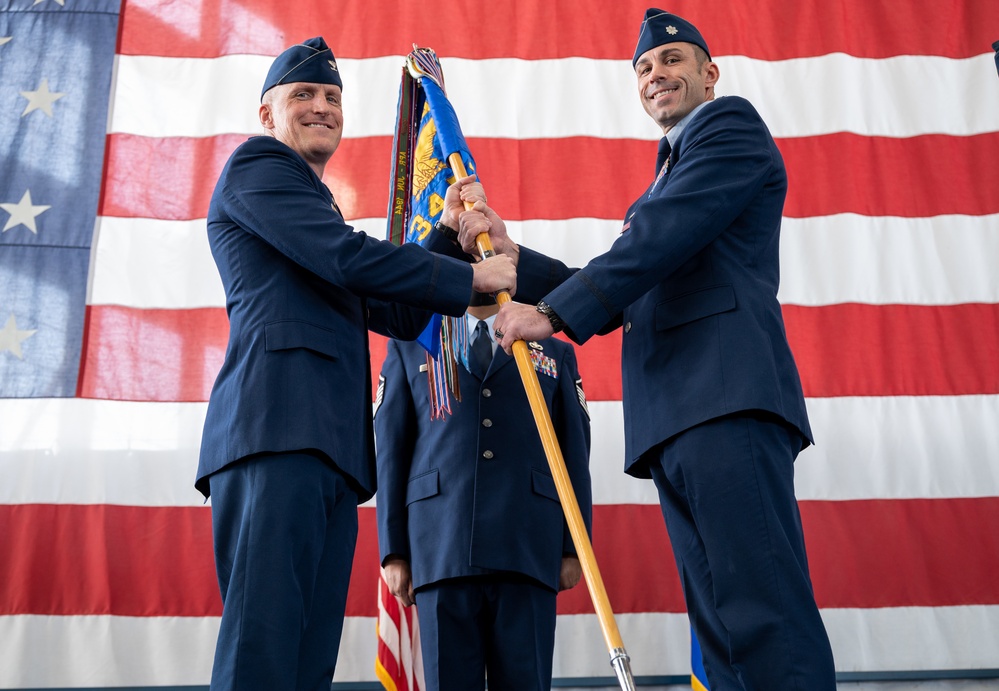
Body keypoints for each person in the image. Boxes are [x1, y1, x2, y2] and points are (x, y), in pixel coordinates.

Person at [454, 9, 836, 690]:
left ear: (708, 73)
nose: (655, 74)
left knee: (763, 613)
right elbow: (634, 282)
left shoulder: (728, 127)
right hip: (676, 417)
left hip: (725, 401)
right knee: (720, 627)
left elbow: (656, 240)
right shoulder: (661, 184)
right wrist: (515, 257)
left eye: (671, 61)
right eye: (642, 68)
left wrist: (549, 312)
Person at [195, 37, 515, 691]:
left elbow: (392, 312)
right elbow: (347, 259)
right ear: (266, 115)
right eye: (304, 95)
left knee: (307, 661)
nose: (321, 107)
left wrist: (449, 240)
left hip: (331, 450)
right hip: (273, 434)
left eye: (332, 97)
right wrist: (474, 279)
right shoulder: (258, 168)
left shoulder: (312, 209)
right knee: (263, 650)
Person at [374, 291, 592, 691]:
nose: (479, 258)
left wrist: (572, 547)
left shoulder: (554, 353)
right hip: (440, 547)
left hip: (527, 546)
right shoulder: (412, 344)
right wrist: (394, 550)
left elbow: (573, 454)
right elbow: (392, 452)